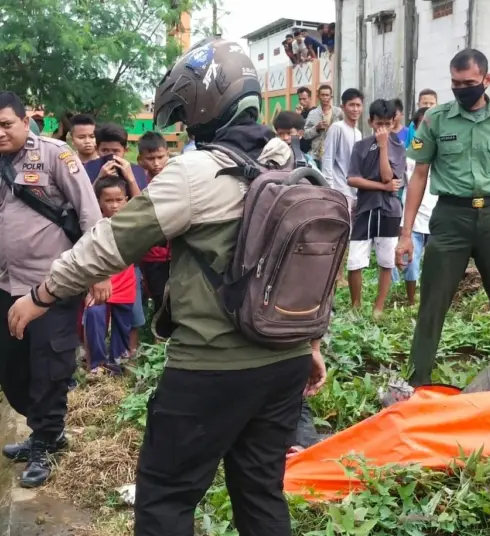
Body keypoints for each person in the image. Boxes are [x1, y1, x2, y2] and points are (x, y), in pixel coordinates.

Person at [7, 38, 326, 535]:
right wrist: (309, 342)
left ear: (205, 105)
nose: (184, 125)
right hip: (284, 364)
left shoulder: (194, 173)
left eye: (186, 113)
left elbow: (108, 246)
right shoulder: (289, 163)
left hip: (210, 369)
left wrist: (40, 295)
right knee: (261, 492)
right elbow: (306, 266)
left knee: (165, 498)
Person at [394, 49, 490, 392]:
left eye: (468, 83)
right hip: (450, 217)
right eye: (455, 83)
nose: (461, 89)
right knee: (433, 301)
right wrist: (405, 233)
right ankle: (418, 380)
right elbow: (418, 175)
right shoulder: (434, 119)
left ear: (487, 80)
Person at [0, 91, 103, 488]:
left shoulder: (54, 154)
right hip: (7, 285)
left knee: (49, 367)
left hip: (52, 285)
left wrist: (98, 271)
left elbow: (89, 211)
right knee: (11, 366)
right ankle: (44, 430)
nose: (1, 132)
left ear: (26, 122)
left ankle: (46, 439)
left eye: (7, 124)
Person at [84, 123, 149, 355]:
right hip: (98, 257)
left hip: (128, 258)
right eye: (104, 151)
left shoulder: (137, 172)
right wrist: (99, 178)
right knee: (94, 310)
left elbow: (144, 210)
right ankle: (94, 360)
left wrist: (131, 178)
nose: (111, 156)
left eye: (116, 151)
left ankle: (126, 357)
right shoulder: (88, 169)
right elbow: (83, 207)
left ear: (124, 149)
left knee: (130, 312)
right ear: (97, 149)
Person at [346, 99, 406, 316]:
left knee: (386, 260)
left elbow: (389, 176)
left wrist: (383, 147)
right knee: (354, 261)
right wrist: (382, 186)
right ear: (370, 122)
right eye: (379, 124)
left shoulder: (397, 146)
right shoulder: (360, 146)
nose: (383, 129)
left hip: (389, 210)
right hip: (364, 208)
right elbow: (352, 179)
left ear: (394, 122)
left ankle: (378, 307)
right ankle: (356, 306)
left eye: (388, 124)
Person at [83, 176, 136, 375]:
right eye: (109, 200)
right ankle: (96, 365)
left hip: (126, 282)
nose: (114, 205)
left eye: (119, 200)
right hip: (98, 283)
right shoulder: (92, 226)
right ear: (98, 202)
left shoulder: (132, 223)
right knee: (95, 318)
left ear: (127, 200)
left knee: (123, 325)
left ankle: (117, 366)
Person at [391, 107, 439, 306]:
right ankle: (410, 301)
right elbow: (398, 184)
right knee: (411, 262)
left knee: (436, 265)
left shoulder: (445, 157)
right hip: (415, 219)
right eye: (422, 126)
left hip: (438, 218)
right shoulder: (408, 157)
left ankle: (431, 299)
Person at [321, 88, 364, 288]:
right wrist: (329, 189)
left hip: (354, 190)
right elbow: (328, 158)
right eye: (351, 105)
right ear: (343, 106)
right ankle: (335, 275)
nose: (355, 109)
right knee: (339, 234)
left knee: (348, 235)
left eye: (358, 105)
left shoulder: (358, 132)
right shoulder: (336, 128)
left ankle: (340, 274)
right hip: (339, 189)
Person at [136, 132, 171, 327]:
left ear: (168, 154)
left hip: (173, 251)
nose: (156, 163)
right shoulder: (138, 181)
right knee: (156, 296)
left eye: (160, 157)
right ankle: (156, 337)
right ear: (141, 160)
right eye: (150, 159)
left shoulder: (175, 179)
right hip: (150, 254)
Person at [304, 84, 344, 169]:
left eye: (327, 95)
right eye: (322, 95)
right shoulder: (313, 113)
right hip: (316, 155)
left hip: (334, 153)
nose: (325, 97)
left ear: (331, 97)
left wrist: (331, 128)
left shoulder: (338, 112)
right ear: (318, 96)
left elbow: (344, 131)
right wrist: (316, 128)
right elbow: (305, 134)